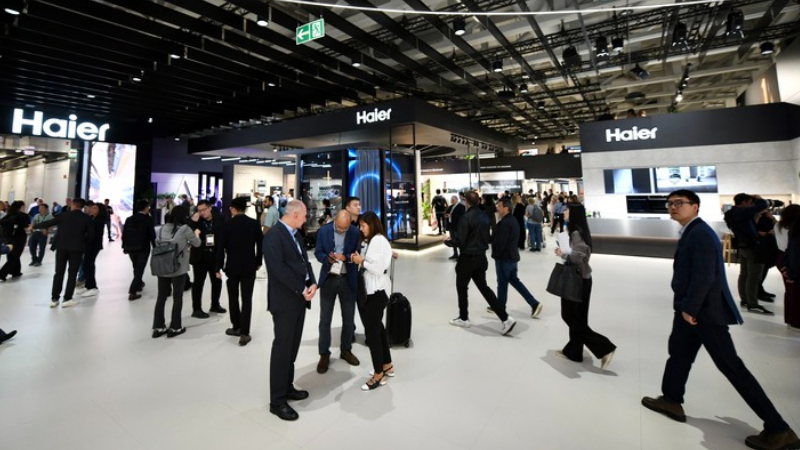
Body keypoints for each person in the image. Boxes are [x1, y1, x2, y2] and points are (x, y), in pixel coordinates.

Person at [642, 189, 800, 450]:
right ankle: (670, 399)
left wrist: (690, 308)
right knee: (679, 354)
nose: (672, 207)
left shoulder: (700, 233)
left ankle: (778, 429)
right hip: (690, 309)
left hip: (703, 313)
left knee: (731, 367)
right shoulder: (692, 231)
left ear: (695, 206)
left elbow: (704, 276)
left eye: (679, 203)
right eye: (669, 203)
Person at [263, 200, 317, 421]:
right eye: (303, 217)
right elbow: (279, 270)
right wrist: (301, 289)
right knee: (282, 350)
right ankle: (277, 401)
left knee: (292, 349)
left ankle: (287, 387)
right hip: (284, 302)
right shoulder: (274, 237)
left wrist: (312, 282)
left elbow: (304, 262)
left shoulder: (295, 235)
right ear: (294, 215)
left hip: (298, 300)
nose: (305, 221)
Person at [554, 202, 616, 369]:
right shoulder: (580, 231)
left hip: (576, 280)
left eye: (567, 210)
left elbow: (577, 257)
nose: (564, 213)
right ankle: (574, 352)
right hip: (583, 278)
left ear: (574, 213)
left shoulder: (576, 233)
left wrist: (562, 254)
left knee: (569, 315)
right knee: (578, 317)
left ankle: (604, 347)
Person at [445, 191, 516, 335]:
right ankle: (505, 318)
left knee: (462, 287)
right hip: (481, 258)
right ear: (478, 201)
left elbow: (461, 241)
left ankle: (464, 318)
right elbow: (489, 237)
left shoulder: (466, 218)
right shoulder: (485, 216)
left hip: (467, 259)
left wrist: (448, 242)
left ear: (467, 202)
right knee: (484, 288)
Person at [349, 211, 394, 391]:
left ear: (371, 224)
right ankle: (386, 365)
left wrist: (361, 261)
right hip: (374, 290)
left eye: (363, 225)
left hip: (376, 292)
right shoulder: (374, 240)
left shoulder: (378, 240)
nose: (361, 229)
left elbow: (377, 268)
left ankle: (378, 375)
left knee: (372, 333)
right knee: (378, 329)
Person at [314, 210, 361, 373]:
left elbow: (357, 253)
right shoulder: (324, 231)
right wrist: (327, 258)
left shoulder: (354, 232)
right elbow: (318, 252)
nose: (342, 230)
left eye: (345, 228)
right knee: (325, 319)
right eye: (339, 227)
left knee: (348, 318)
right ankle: (324, 354)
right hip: (329, 279)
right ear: (334, 220)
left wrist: (346, 257)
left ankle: (346, 349)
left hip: (348, 279)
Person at [215, 197, 263, 346]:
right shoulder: (254, 224)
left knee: (233, 296)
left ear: (234, 209)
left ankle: (236, 326)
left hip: (232, 266)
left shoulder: (227, 225)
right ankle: (244, 333)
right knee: (247, 299)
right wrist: (258, 261)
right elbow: (260, 244)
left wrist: (218, 267)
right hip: (249, 265)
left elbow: (220, 248)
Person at [152, 206, 201, 339]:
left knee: (161, 297)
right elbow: (197, 243)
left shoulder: (162, 228)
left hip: (162, 267)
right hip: (178, 268)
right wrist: (196, 234)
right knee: (177, 297)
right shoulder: (185, 229)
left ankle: (158, 326)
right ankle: (175, 327)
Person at [33, 198, 93, 307]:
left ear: (73, 205)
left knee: (59, 272)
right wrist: (84, 243)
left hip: (61, 247)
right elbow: (91, 236)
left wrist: (34, 226)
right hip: (77, 249)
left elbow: (49, 223)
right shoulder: (87, 218)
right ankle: (67, 298)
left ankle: (54, 298)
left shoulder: (63, 215)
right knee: (72, 274)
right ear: (82, 207)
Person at [493, 198, 543, 318]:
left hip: (505, 258)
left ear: (506, 208)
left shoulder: (505, 223)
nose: (497, 208)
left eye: (499, 206)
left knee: (502, 283)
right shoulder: (512, 220)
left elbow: (501, 242)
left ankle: (500, 308)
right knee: (514, 281)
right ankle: (534, 303)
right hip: (512, 257)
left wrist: (496, 255)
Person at [724, 193, 773, 314]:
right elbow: (763, 205)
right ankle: (753, 304)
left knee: (744, 274)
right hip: (752, 248)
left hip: (743, 246)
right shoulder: (741, 212)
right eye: (750, 202)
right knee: (754, 277)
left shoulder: (731, 213)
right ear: (744, 202)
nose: (751, 205)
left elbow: (747, 226)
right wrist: (759, 199)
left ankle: (745, 300)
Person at [188, 199, 226, 318]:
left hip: (214, 255)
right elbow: (187, 232)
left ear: (210, 208)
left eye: (204, 209)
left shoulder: (219, 219)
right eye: (199, 210)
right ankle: (196, 309)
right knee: (198, 283)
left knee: (217, 281)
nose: (202, 212)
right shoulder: (196, 220)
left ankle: (215, 304)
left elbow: (223, 236)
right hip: (200, 256)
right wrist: (192, 222)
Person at [122, 200, 156, 300]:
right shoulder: (148, 219)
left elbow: (125, 234)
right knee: (139, 269)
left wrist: (124, 246)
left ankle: (139, 283)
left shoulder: (129, 219)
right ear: (145, 208)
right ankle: (133, 292)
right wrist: (155, 247)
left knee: (136, 266)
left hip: (130, 247)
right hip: (143, 247)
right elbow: (152, 235)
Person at [78, 201, 107, 298]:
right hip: (88, 245)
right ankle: (88, 285)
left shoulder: (99, 221)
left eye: (95, 208)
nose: (92, 209)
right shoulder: (92, 218)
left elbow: (93, 234)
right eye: (92, 208)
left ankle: (92, 287)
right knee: (87, 264)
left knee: (88, 264)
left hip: (94, 245)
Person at [778, 204, 800, 331]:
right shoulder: (794, 229)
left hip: (788, 261)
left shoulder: (792, 228)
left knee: (791, 293)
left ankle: (792, 320)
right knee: (794, 293)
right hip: (792, 264)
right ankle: (795, 322)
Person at [0, 201, 30, 282]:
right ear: (21, 207)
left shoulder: (8, 215)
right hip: (19, 238)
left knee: (12, 255)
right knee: (15, 256)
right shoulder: (23, 216)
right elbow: (26, 226)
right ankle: (2, 273)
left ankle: (16, 271)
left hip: (8, 238)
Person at [447, 193, 466, 260]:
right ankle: (455, 253)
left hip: (457, 226)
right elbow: (447, 213)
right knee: (453, 240)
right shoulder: (451, 207)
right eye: (451, 200)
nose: (452, 201)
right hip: (451, 225)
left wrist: (452, 216)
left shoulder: (461, 207)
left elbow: (462, 216)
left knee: (458, 240)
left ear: (456, 200)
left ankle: (461, 254)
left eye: (453, 200)